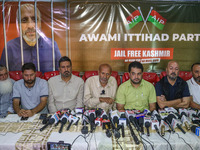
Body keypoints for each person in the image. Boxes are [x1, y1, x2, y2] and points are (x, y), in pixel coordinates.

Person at [0, 3, 61, 73]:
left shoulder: (52, 45)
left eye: (35, 20)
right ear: (18, 24)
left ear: (40, 22)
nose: (30, 26)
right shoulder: (10, 47)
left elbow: (59, 74)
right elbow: (3, 77)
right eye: (24, 20)